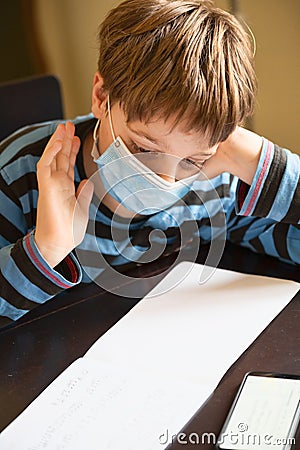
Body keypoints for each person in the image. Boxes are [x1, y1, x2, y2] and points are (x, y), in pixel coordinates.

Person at [0, 0, 299, 328]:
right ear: (101, 97)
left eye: (190, 161)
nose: (163, 180)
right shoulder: (20, 179)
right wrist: (47, 246)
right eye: (143, 148)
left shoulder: (214, 179)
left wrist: (263, 165)